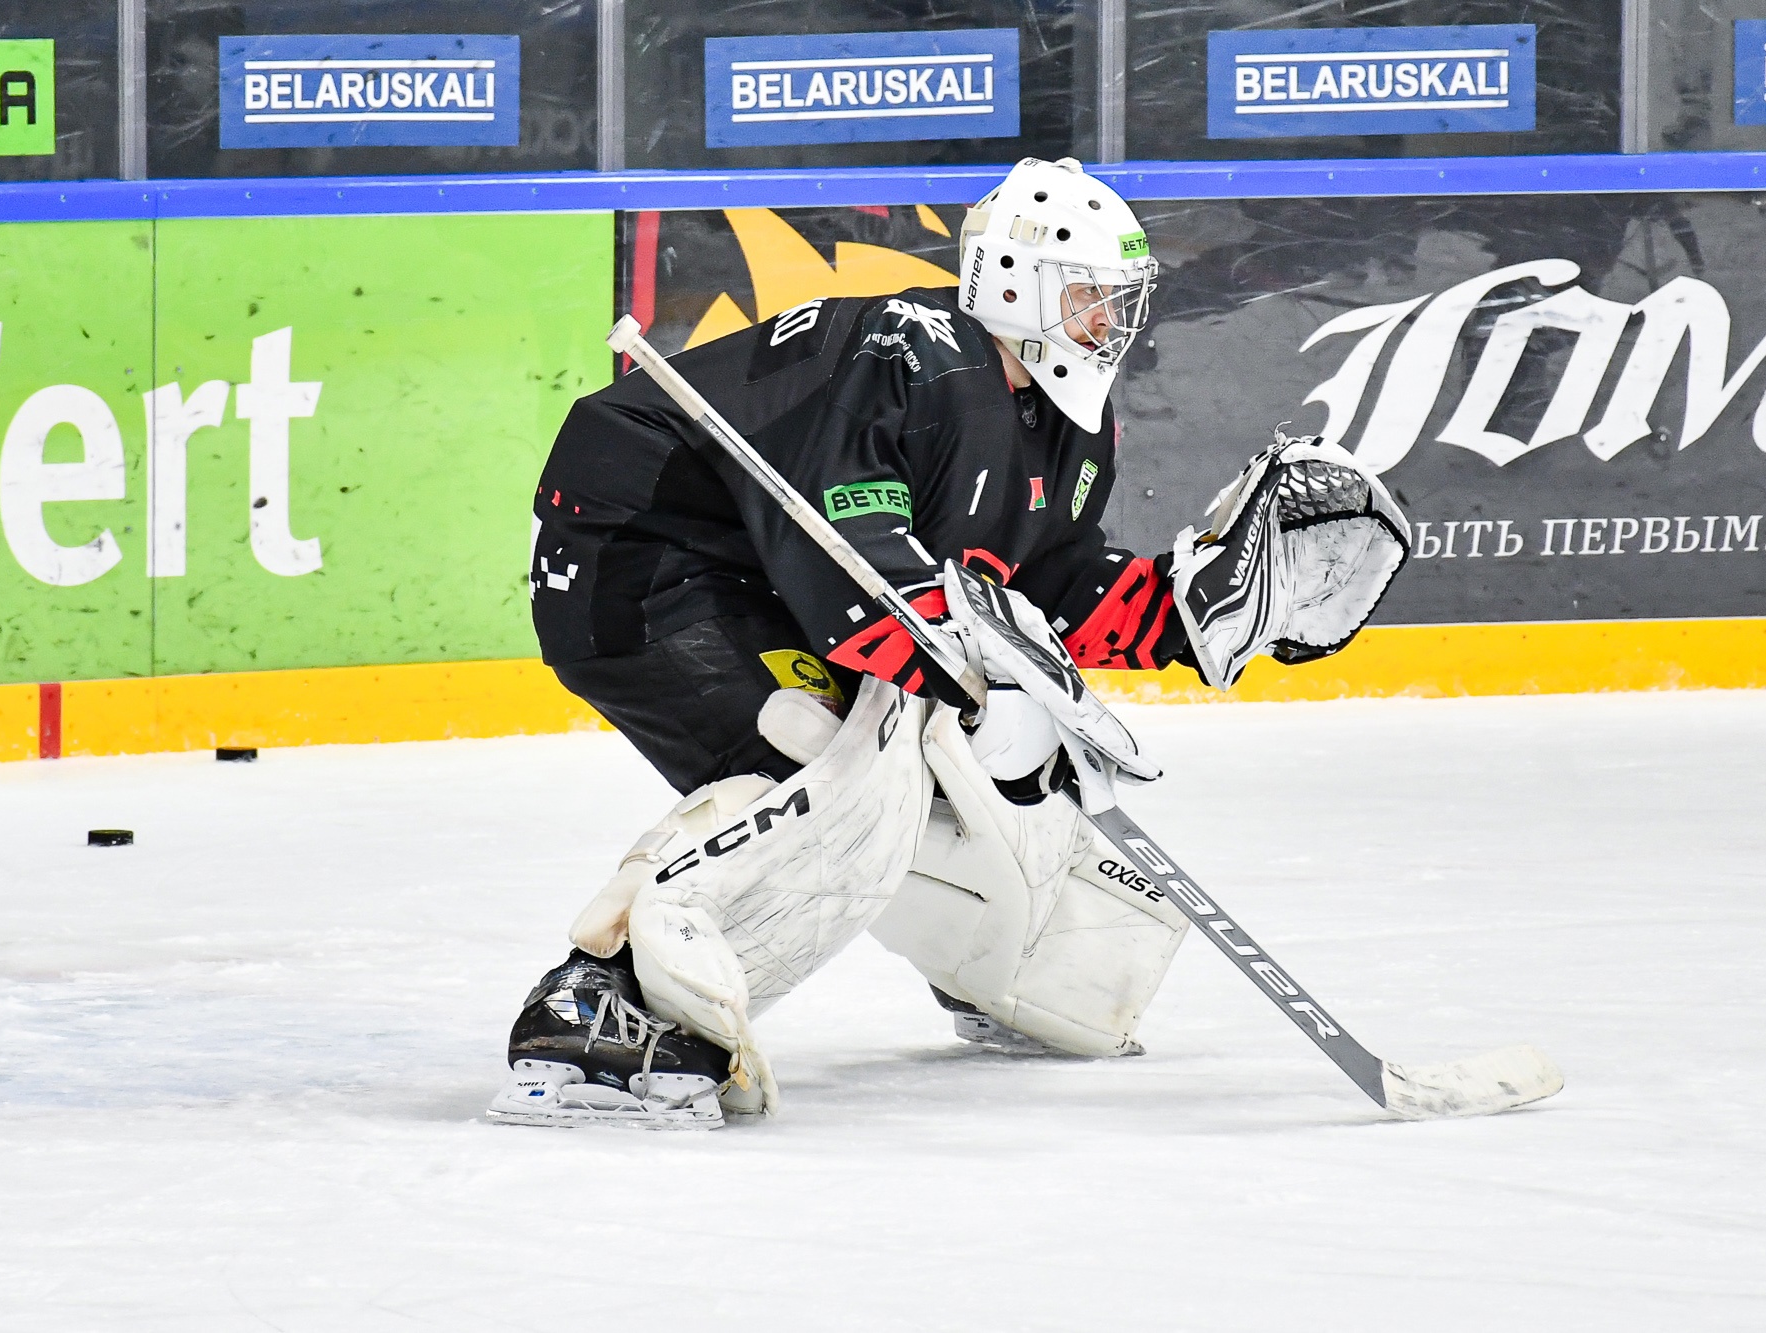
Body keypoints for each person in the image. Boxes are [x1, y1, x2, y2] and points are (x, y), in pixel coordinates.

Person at [488, 158, 1410, 1129]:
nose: (1114, 323)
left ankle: (1007, 961)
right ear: (1015, 286)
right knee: (825, 747)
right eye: (1092, 297)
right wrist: (962, 646)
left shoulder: (1071, 427)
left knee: (973, 757)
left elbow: (1043, 581)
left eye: (1119, 300)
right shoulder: (911, 349)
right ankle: (603, 997)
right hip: (645, 556)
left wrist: (1180, 608)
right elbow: (851, 551)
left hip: (760, 579)